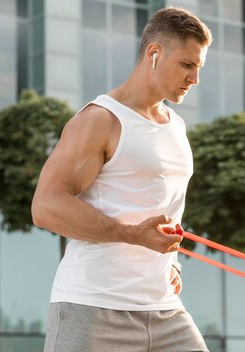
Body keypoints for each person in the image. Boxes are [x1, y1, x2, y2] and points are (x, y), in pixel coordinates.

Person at [31, 7, 211, 352]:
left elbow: (156, 205)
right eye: (187, 65)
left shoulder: (176, 126)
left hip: (163, 309)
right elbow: (46, 207)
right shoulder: (101, 119)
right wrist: (131, 235)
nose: (195, 79)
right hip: (92, 307)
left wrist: (169, 262)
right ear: (154, 54)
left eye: (199, 68)